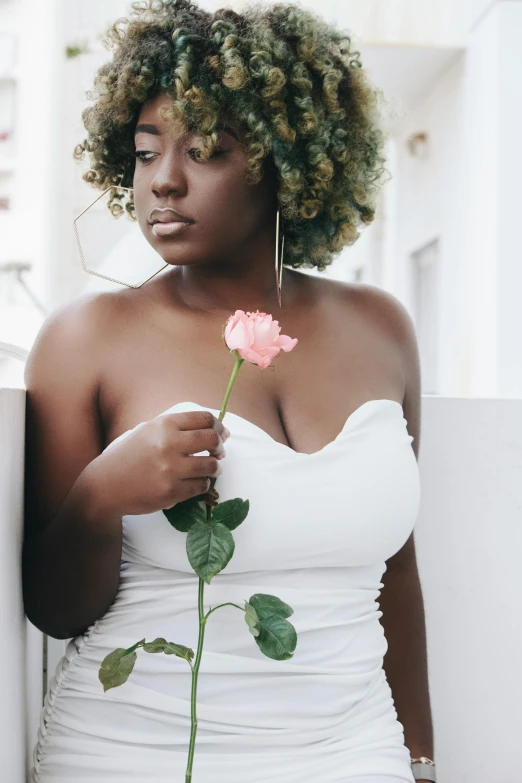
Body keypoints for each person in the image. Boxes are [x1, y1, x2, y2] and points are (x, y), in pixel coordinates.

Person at [22, 1, 435, 781]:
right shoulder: (86, 339)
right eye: (145, 153)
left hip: (353, 752)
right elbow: (53, 607)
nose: (164, 181)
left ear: (289, 159)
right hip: (135, 754)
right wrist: (100, 495)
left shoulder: (381, 327)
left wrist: (420, 756)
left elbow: (399, 575)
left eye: (204, 150)